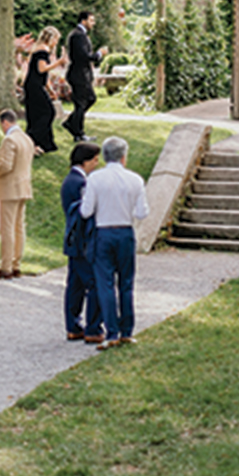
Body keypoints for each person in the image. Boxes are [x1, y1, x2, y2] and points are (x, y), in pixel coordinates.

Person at [80, 134, 149, 347]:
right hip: (125, 232)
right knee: (126, 283)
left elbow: (86, 211)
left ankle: (111, 332)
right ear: (123, 157)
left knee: (105, 283)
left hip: (103, 232)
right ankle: (127, 330)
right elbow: (142, 213)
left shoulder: (95, 179)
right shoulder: (135, 179)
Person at [60, 141, 103, 342]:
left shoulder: (71, 180)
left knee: (75, 285)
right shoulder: (80, 183)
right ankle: (93, 327)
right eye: (94, 160)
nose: (96, 164)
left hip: (73, 240)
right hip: (82, 241)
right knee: (93, 283)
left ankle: (73, 325)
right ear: (85, 161)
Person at [0, 109, 36, 277]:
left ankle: (5, 266)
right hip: (23, 187)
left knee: (6, 228)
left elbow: (6, 166)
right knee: (19, 227)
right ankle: (16, 264)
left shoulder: (9, 140)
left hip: (9, 189)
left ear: (5, 122)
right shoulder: (27, 139)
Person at [19, 28, 61, 154]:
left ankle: (42, 144)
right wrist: (59, 62)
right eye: (56, 40)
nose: (56, 43)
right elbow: (42, 69)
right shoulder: (42, 50)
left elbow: (43, 75)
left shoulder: (40, 49)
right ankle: (30, 138)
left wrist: (50, 90)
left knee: (35, 114)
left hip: (34, 85)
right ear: (51, 38)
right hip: (34, 86)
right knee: (48, 112)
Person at [63, 10, 99, 141]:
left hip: (82, 74)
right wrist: (98, 55)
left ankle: (71, 124)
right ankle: (78, 133)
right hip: (78, 75)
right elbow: (83, 57)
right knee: (82, 103)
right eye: (91, 20)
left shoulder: (81, 35)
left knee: (89, 99)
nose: (93, 23)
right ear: (83, 21)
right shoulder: (77, 35)